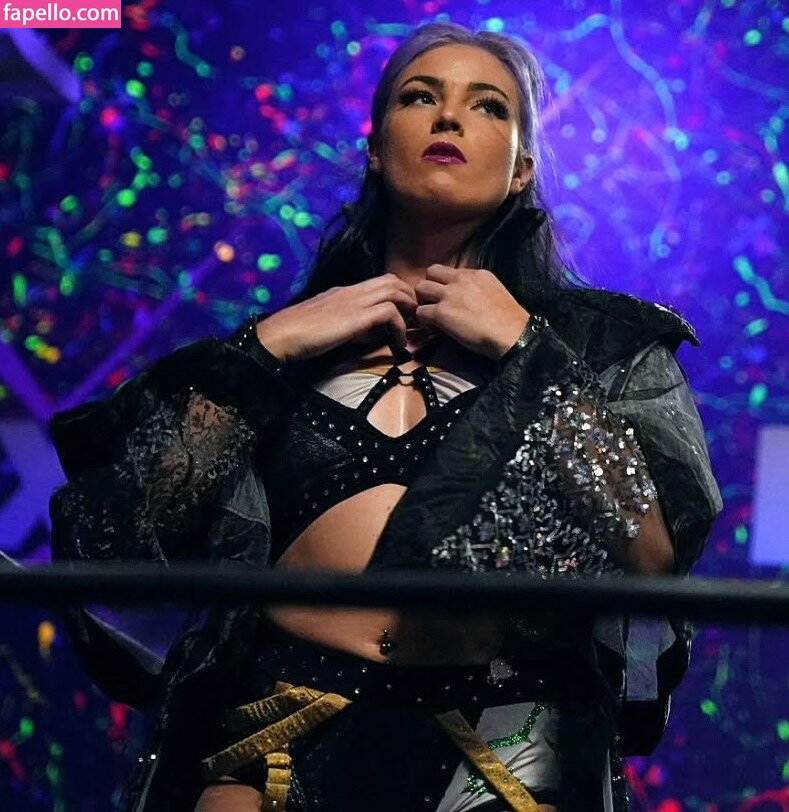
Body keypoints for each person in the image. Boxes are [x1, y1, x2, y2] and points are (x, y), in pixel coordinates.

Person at [48, 21, 722, 812]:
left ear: (521, 170)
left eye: (489, 106)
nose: (449, 117)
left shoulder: (597, 346)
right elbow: (131, 525)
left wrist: (528, 353)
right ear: (374, 147)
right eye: (418, 96)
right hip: (278, 722)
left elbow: (650, 559)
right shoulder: (286, 346)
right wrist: (266, 349)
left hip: (504, 736)